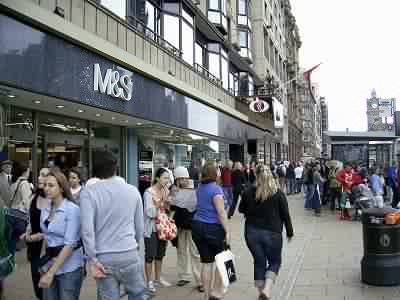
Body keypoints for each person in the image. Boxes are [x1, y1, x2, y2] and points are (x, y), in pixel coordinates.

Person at [80, 150, 145, 300]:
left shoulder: (88, 193)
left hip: (104, 258)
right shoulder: (133, 191)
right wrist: (135, 245)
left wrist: (92, 259)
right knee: (138, 295)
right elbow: (139, 227)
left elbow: (87, 231)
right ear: (116, 167)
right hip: (129, 253)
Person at [239, 165, 293, 300]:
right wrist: (289, 232)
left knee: (259, 261)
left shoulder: (247, 192)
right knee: (275, 261)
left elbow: (241, 209)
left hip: (251, 232)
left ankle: (261, 292)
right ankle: (267, 290)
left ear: (256, 176)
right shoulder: (278, 193)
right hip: (273, 233)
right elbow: (285, 214)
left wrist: (252, 210)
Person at [39, 168, 84, 300]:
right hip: (49, 264)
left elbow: (69, 245)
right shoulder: (45, 209)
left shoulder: (72, 210)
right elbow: (46, 236)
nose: (46, 188)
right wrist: (43, 262)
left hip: (69, 268)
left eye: (51, 185)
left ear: (62, 188)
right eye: (45, 185)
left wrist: (50, 273)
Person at [191, 161, 230, 300]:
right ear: (214, 173)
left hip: (197, 226)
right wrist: (227, 231)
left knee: (206, 262)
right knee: (221, 260)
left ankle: (207, 295)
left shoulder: (200, 187)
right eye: (218, 170)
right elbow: (221, 212)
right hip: (212, 227)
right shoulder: (216, 189)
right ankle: (216, 292)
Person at [171, 166, 202, 291]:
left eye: (184, 178)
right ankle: (184, 275)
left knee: (195, 253)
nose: (183, 181)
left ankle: (200, 280)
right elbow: (172, 206)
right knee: (181, 250)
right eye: (180, 178)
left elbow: (195, 205)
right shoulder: (174, 189)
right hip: (180, 224)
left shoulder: (195, 187)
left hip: (192, 224)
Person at [143, 168, 172, 295]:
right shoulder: (148, 193)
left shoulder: (166, 191)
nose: (167, 180)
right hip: (152, 228)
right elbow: (149, 212)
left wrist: (168, 205)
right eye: (165, 177)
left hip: (163, 228)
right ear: (157, 178)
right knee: (150, 255)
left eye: (168, 178)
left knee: (160, 254)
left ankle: (158, 278)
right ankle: (149, 281)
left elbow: (168, 211)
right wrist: (161, 203)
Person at [22, 168, 50, 300]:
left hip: (50, 250)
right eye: (39, 174)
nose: (39, 178)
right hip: (34, 248)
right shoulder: (33, 197)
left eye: (43, 175)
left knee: (49, 288)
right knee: (37, 284)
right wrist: (27, 233)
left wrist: (42, 235)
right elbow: (30, 221)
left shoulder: (54, 200)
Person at [8, 161, 32, 254]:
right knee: (23, 239)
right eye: (28, 171)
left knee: (11, 240)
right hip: (20, 216)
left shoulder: (14, 181)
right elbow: (27, 202)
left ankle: (10, 260)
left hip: (11, 214)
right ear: (25, 172)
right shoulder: (24, 183)